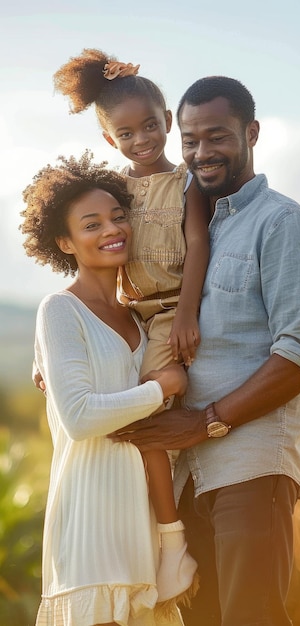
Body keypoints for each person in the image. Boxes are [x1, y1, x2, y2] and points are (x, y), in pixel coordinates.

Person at [112, 76, 300, 626]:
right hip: (187, 477)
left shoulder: (281, 223)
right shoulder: (189, 226)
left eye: (217, 137)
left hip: (250, 469)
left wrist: (205, 421)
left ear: (251, 132)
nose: (201, 153)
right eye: (189, 140)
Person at [50, 48, 209, 606]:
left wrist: (187, 311)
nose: (142, 140)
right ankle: (168, 539)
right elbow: (111, 270)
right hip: (140, 314)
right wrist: (47, 356)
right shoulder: (115, 194)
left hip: (172, 311)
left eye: (150, 126)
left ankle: (171, 541)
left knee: (148, 429)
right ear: (110, 138)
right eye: (126, 133)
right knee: (147, 430)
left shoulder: (186, 183)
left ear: (168, 122)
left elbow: (198, 247)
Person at [20, 151, 190, 626]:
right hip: (90, 531)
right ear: (65, 242)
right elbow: (80, 418)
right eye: (91, 224)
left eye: (118, 218)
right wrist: (161, 388)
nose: (112, 230)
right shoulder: (59, 310)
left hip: (144, 534)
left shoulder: (143, 317)